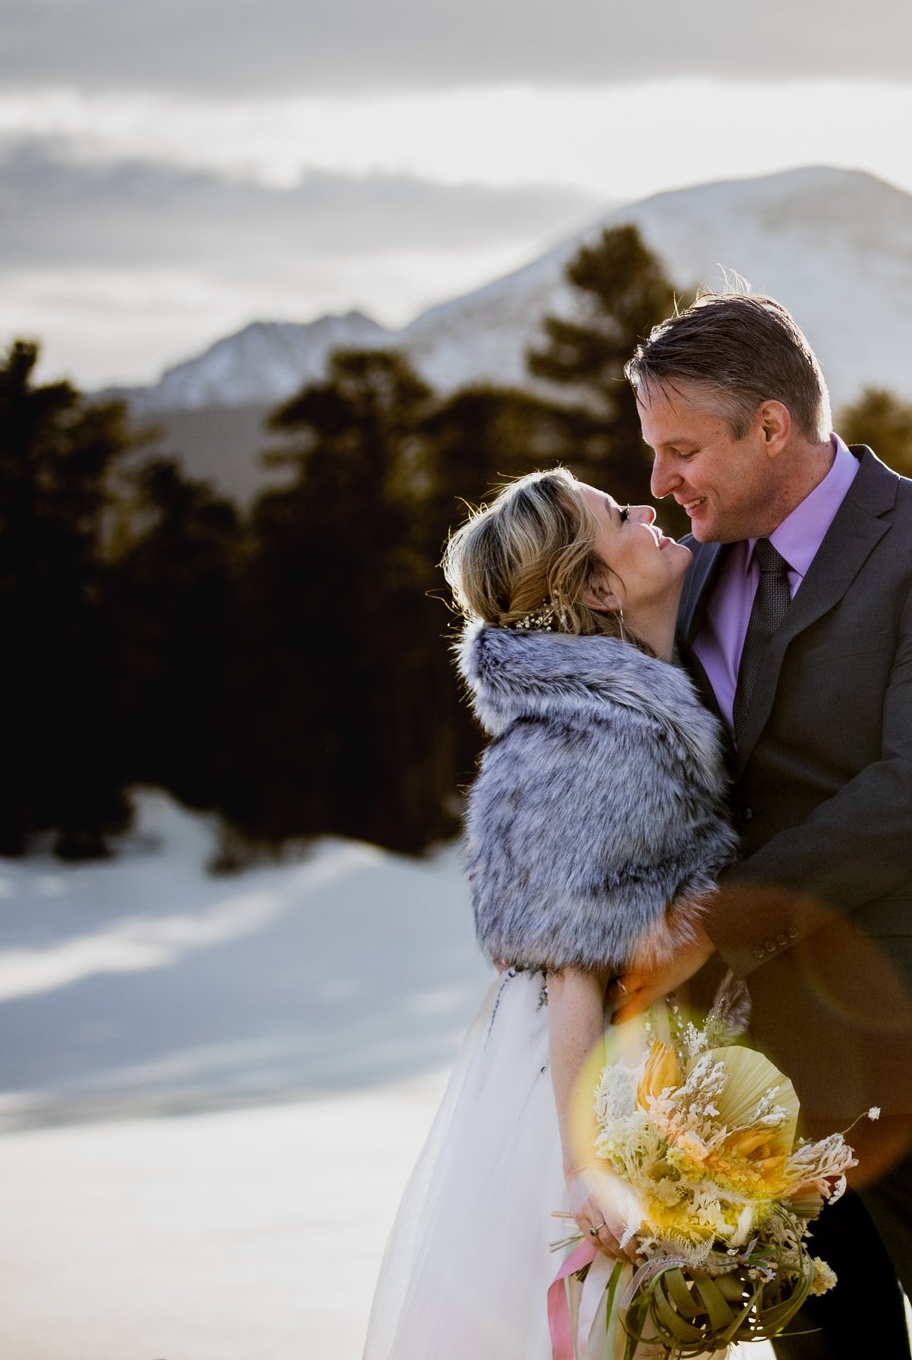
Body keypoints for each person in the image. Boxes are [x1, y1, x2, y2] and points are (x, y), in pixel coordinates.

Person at [609, 291, 912, 1360]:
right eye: (653, 451)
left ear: (771, 426)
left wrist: (711, 917)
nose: (661, 483)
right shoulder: (699, 561)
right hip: (756, 1059)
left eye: (681, 449)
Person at [364, 467, 735, 1359]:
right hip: (584, 1093)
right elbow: (575, 970)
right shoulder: (602, 734)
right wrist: (587, 1166)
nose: (649, 511)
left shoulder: (614, 709)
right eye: (619, 515)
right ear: (599, 587)